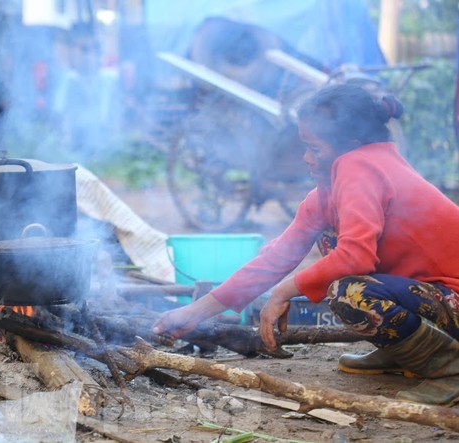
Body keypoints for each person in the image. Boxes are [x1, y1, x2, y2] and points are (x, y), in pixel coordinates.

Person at [152, 83, 459, 407]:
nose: (306, 159)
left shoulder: (360, 166)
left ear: (349, 146)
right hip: (433, 296)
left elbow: (356, 257)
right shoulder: (333, 189)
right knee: (330, 240)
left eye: (315, 148)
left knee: (349, 292)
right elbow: (277, 257)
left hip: (452, 299)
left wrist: (284, 291)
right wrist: (195, 312)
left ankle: (449, 369)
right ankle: (406, 353)